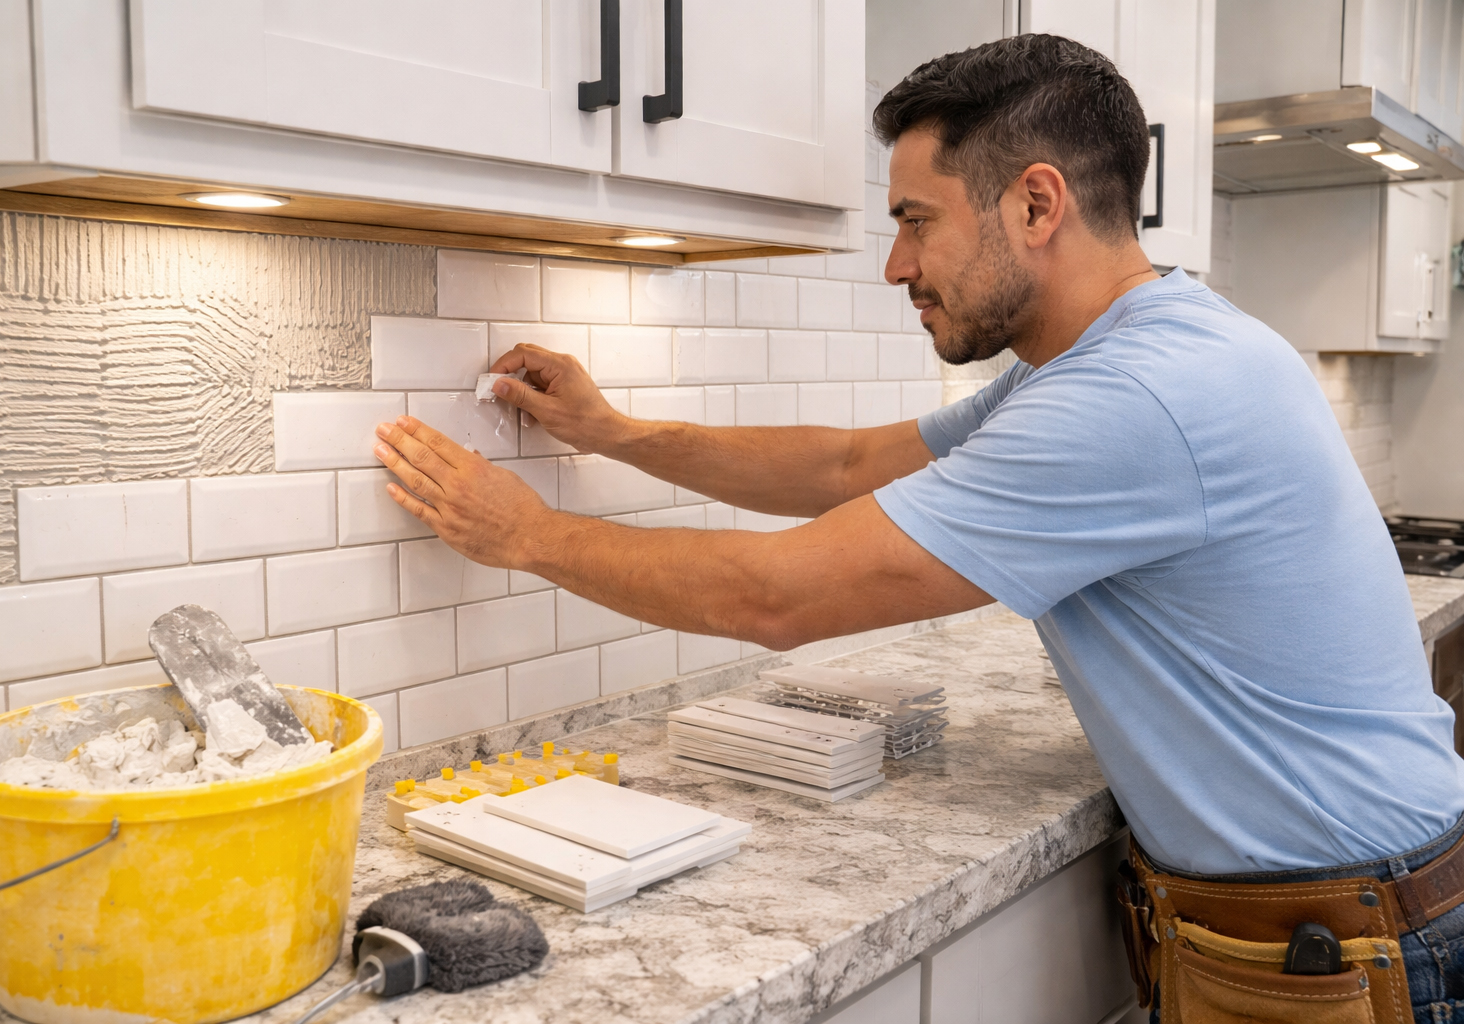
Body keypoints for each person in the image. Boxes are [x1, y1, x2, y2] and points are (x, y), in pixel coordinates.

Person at [373, 34, 1464, 1021]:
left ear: (1037, 206)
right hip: (1337, 919)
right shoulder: (1114, 357)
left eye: (914, 221)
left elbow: (777, 595)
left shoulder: (1133, 396)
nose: (897, 265)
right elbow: (847, 465)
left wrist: (524, 533)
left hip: (1350, 951)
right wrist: (613, 432)